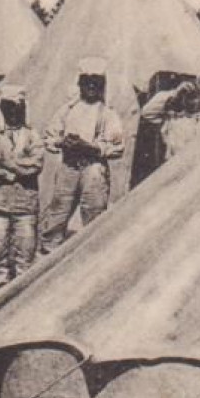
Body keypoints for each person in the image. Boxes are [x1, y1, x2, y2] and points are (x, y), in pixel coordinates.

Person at [39, 58, 126, 253]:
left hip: (93, 169)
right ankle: (48, 254)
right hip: (68, 166)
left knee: (94, 214)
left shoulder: (108, 113)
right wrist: (63, 142)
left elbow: (117, 145)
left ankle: (93, 256)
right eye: (87, 81)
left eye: (96, 81)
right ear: (79, 83)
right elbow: (50, 136)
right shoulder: (68, 110)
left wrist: (89, 147)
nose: (91, 85)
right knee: (57, 212)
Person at [0, 85, 44, 286]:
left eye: (17, 107)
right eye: (9, 107)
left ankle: (23, 290)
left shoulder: (33, 136)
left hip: (25, 202)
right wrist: (15, 170)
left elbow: (36, 164)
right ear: (2, 108)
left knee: (25, 250)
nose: (13, 112)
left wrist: (6, 164)